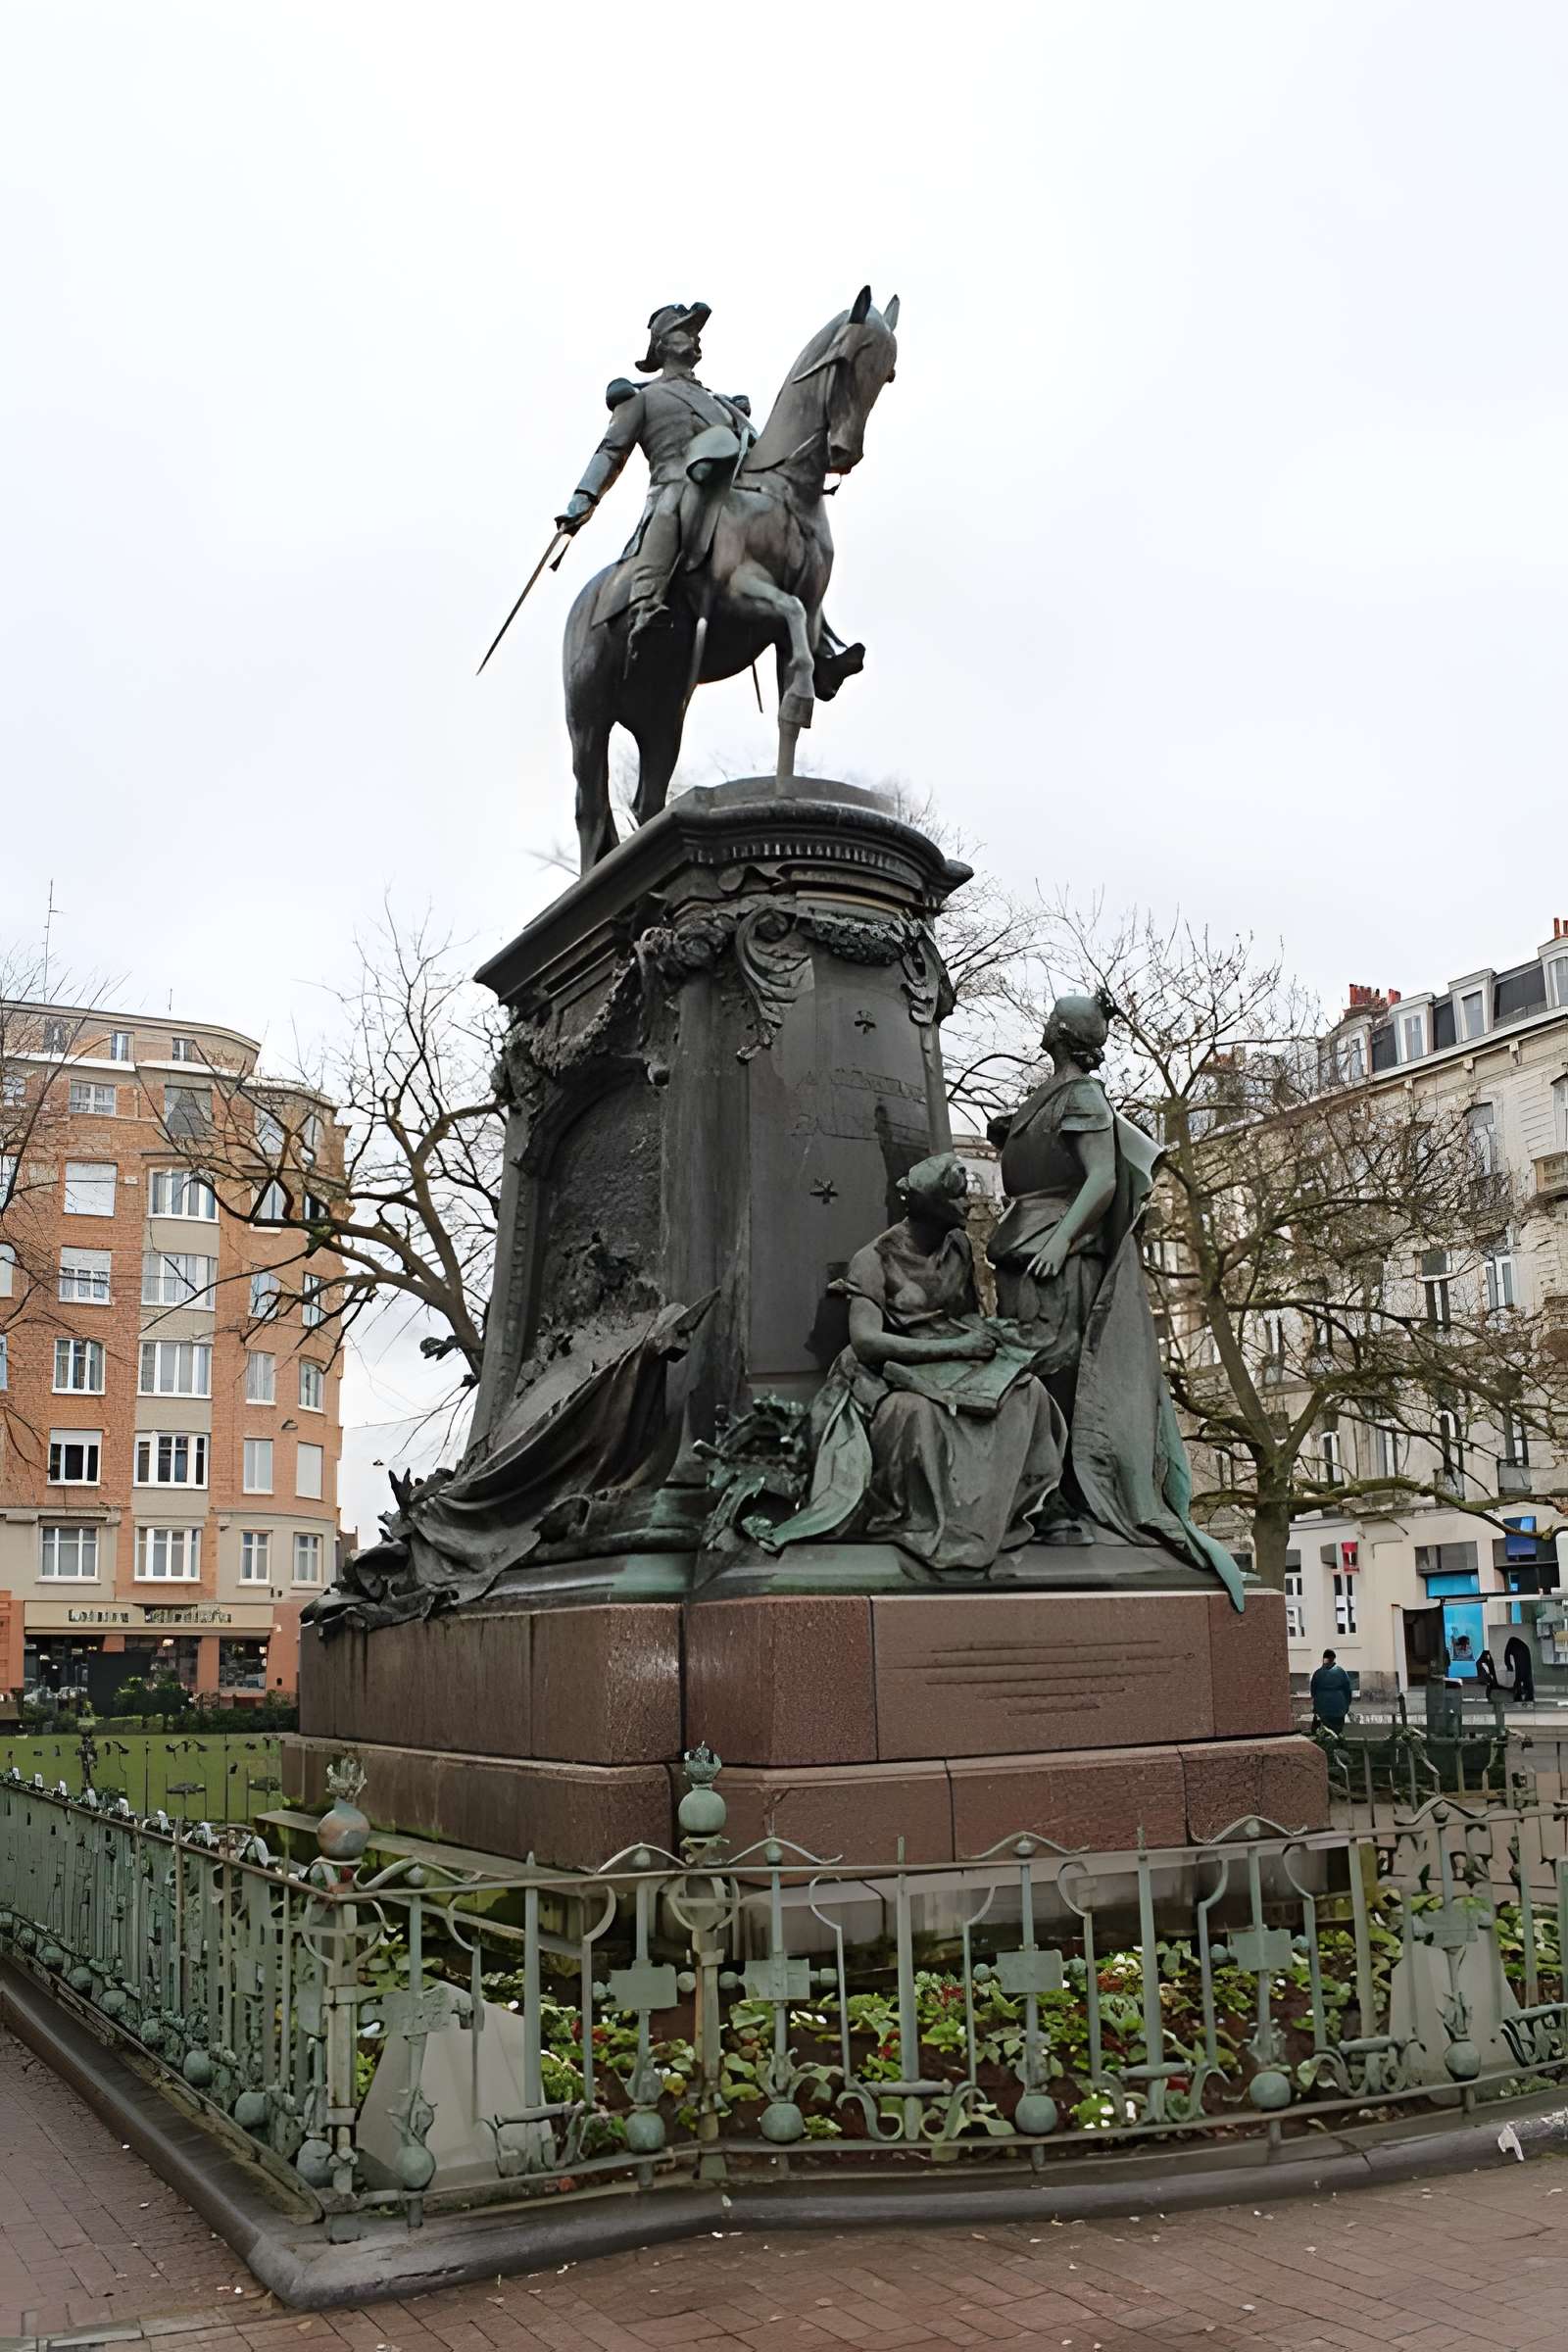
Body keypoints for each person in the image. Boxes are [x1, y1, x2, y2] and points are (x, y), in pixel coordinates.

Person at [985, 992, 1246, 1608]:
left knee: (1058, 1373)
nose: (1045, 1024)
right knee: (1028, 1374)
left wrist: (1063, 1239)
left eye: (1052, 1018)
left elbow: (1102, 1177)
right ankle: (1037, 1495)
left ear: (1060, 1033)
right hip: (1023, 1255)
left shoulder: (1083, 1097)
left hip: (1057, 1258)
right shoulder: (1045, 1100)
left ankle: (1068, 1499)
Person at [768, 1152, 1066, 1571]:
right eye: (958, 1200)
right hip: (892, 1371)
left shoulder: (959, 1246)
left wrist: (1001, 1337)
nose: (968, 1207)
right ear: (930, 1205)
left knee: (1028, 1391)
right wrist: (956, 1349)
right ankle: (942, 1526)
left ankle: (1019, 1513)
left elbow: (965, 1315)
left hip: (953, 1362)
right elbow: (867, 1342)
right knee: (916, 1414)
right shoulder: (873, 1260)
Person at [557, 301, 754, 655]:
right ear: (662, 345)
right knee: (670, 507)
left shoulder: (723, 404)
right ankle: (646, 605)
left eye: (696, 333)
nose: (695, 338)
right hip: (672, 486)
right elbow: (611, 451)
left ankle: (817, 642)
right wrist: (583, 499)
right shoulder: (643, 397)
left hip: (725, 494)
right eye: (685, 332)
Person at [1310, 1647, 1354, 1733]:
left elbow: (1313, 1692)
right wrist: (1346, 1706)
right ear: (1333, 1659)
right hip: (1338, 1708)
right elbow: (1348, 1691)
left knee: (1321, 1734)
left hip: (1322, 1709)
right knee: (1336, 1733)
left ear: (1324, 1659)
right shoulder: (1341, 1672)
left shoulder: (1318, 1673)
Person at [1505, 1633, 1535, 1704]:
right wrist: (1509, 1666)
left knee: (1519, 1677)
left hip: (1521, 1653)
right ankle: (1529, 1697)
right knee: (1527, 1676)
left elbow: (1506, 1656)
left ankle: (1518, 1697)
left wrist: (1509, 1666)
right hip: (1525, 1652)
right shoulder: (1515, 1644)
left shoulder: (1511, 1646)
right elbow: (1507, 1656)